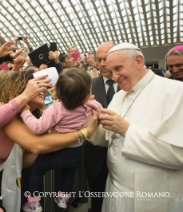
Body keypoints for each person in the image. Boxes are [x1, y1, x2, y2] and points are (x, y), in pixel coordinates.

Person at [89, 43, 183, 212]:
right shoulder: (119, 95)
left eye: (118, 68)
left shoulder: (178, 92)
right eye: (111, 71)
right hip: (116, 190)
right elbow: (107, 139)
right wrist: (91, 121)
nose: (115, 76)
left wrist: (126, 130)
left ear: (138, 61)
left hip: (157, 196)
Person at [20, 69, 104, 211]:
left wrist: (24, 111)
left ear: (58, 92)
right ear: (85, 95)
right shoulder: (90, 105)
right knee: (69, 172)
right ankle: (63, 197)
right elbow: (101, 111)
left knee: (37, 170)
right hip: (77, 151)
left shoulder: (56, 109)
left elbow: (38, 127)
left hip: (57, 151)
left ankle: (33, 201)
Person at [84, 41, 119, 212]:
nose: (103, 64)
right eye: (99, 60)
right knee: (97, 197)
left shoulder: (129, 84)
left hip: (123, 153)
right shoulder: (88, 84)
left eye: (107, 59)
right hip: (95, 154)